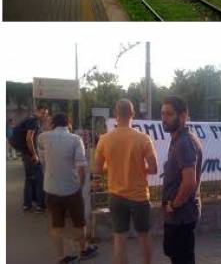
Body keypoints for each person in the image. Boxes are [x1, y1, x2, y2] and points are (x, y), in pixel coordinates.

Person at [94, 99, 158, 264]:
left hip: (116, 196)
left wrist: (115, 168)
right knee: (144, 236)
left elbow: (98, 170)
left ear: (115, 114)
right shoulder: (143, 138)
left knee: (119, 239)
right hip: (139, 197)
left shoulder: (104, 139)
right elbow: (154, 168)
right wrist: (138, 169)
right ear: (132, 114)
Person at [38, 113, 98, 263]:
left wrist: (47, 127)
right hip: (71, 188)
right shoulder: (75, 140)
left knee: (56, 225)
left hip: (50, 188)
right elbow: (81, 167)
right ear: (68, 124)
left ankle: (61, 257)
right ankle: (83, 250)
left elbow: (40, 145)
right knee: (79, 222)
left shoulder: (43, 137)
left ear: (53, 124)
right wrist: (80, 185)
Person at [161, 95, 203, 264]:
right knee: (177, 256)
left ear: (183, 115)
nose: (164, 118)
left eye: (169, 114)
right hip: (180, 215)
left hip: (181, 214)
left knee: (181, 259)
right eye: (162, 114)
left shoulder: (183, 143)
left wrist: (174, 204)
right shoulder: (179, 138)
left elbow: (189, 182)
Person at [21, 105, 48, 212]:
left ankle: (27, 204)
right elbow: (29, 138)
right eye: (42, 113)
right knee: (39, 179)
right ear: (36, 112)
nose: (44, 115)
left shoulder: (29, 120)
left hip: (25, 154)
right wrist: (34, 154)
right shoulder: (33, 121)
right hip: (31, 155)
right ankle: (40, 205)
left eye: (45, 113)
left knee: (29, 179)